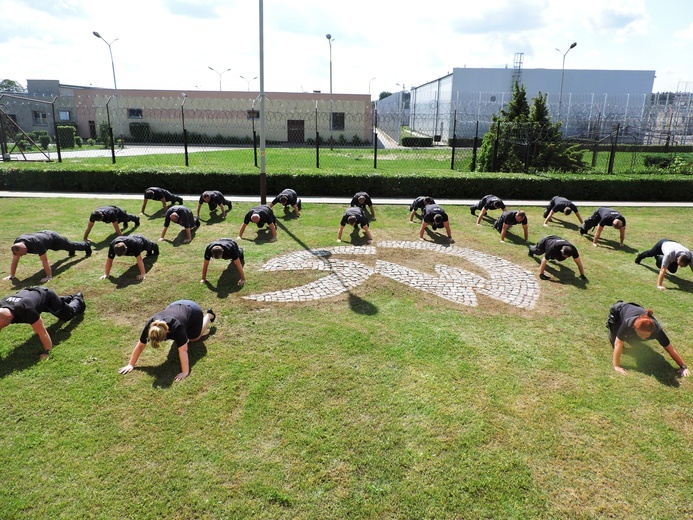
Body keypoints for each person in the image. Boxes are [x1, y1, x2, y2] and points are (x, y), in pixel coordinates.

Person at [118, 300, 215, 382]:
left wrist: (185, 372)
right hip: (174, 306)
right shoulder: (152, 325)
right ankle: (185, 332)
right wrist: (130, 364)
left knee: (194, 339)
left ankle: (208, 315)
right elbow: (140, 345)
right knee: (181, 339)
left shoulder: (177, 326)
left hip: (193, 310)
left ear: (167, 333)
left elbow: (183, 350)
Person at [606, 301, 690, 377]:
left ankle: (630, 336)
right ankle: (617, 330)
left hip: (635, 312)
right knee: (616, 342)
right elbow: (618, 344)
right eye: (641, 334)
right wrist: (616, 366)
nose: (644, 337)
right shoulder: (628, 324)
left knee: (633, 338)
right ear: (634, 328)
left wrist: (683, 367)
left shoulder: (657, 331)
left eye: (647, 335)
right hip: (618, 311)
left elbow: (670, 349)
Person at [0, 286, 86, 359]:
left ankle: (78, 299)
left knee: (67, 315)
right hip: (31, 294)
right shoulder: (1, 307)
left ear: (9, 316)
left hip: (47, 296)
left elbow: (42, 331)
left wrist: (47, 352)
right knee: (56, 305)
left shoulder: (27, 311)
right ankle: (66, 300)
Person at [4, 231, 92, 283]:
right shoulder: (17, 244)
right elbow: (15, 260)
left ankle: (86, 246)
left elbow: (45, 261)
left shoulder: (36, 244)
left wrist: (49, 276)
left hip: (53, 238)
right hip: (44, 236)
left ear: (24, 248)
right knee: (67, 246)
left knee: (70, 245)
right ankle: (70, 250)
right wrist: (12, 275)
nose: (22, 256)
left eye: (22, 254)